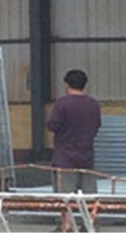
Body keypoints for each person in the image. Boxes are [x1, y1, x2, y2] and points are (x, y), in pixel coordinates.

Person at [47, 69, 101, 231]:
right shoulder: (93, 104)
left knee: (65, 196)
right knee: (89, 195)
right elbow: (96, 125)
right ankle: (90, 225)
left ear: (67, 84)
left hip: (65, 157)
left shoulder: (62, 103)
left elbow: (52, 125)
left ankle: (67, 227)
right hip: (87, 156)